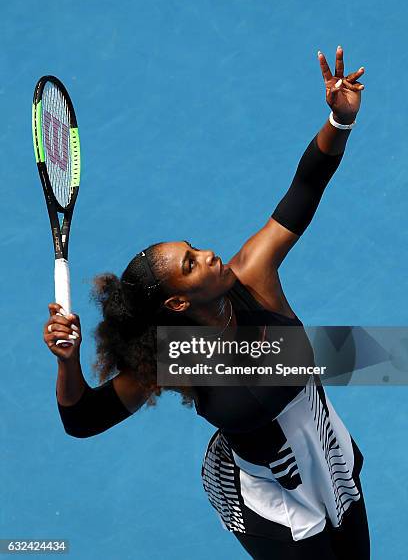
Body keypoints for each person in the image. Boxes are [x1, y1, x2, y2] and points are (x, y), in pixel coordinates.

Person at [43, 47, 370, 559]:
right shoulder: (172, 359)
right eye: (192, 264)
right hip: (269, 502)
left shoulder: (253, 274)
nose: (209, 254)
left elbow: (306, 186)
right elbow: (82, 419)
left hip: (325, 455)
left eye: (194, 249)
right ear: (176, 304)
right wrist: (67, 365)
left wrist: (339, 120)